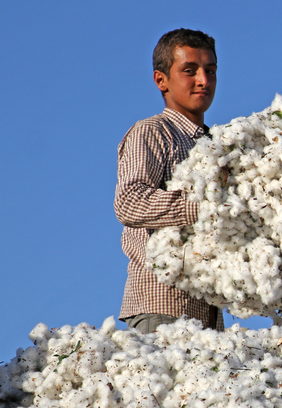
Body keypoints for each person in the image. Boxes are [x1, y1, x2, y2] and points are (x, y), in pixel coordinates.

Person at [114, 29, 224, 333]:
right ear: (161, 80)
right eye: (189, 71)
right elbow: (130, 203)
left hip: (210, 316)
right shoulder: (152, 132)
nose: (203, 80)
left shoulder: (220, 146)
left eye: (210, 71)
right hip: (162, 308)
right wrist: (207, 207)